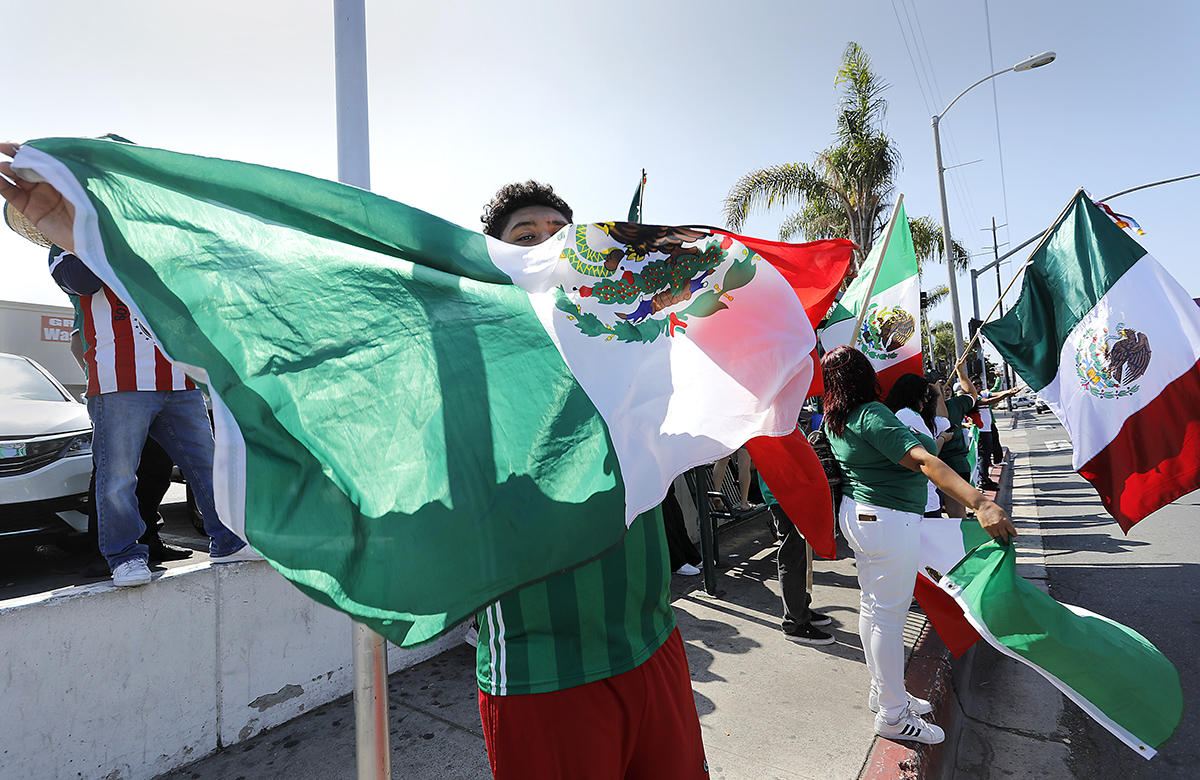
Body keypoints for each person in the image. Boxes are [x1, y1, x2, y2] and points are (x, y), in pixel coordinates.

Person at [474, 181, 708, 779]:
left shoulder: (634, 349)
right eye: (527, 241)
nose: (548, 252)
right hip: (543, 672)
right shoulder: (477, 364)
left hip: (653, 643)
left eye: (561, 239)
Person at [0, 144, 257, 587]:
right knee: (118, 476)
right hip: (119, 381)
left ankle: (228, 541)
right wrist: (95, 226)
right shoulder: (63, 249)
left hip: (178, 377)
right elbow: (83, 279)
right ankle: (123, 555)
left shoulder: (158, 241)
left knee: (208, 466)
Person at [821, 346, 1016, 746]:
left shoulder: (835, 418)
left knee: (874, 609)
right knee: (887, 618)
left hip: (863, 517)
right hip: (888, 520)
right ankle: (893, 715)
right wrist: (979, 502)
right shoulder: (871, 415)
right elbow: (926, 461)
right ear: (864, 377)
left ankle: (885, 693)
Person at [757, 461, 833, 644]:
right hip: (785, 495)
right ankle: (795, 623)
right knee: (793, 559)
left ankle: (800, 611)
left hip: (789, 493)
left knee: (801, 557)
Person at [884, 374, 952, 518]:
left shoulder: (898, 415)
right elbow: (927, 457)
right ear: (913, 395)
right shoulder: (908, 415)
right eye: (925, 395)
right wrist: (941, 439)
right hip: (922, 500)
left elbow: (944, 421)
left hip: (915, 498)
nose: (927, 400)